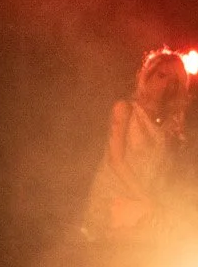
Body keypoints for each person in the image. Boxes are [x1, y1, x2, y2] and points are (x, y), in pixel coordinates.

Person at [80, 47, 192, 240]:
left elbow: (164, 173)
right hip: (114, 199)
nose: (166, 85)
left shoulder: (170, 125)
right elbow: (116, 161)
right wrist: (145, 200)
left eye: (174, 81)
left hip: (145, 205)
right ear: (147, 76)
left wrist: (159, 203)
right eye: (161, 76)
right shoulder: (125, 110)